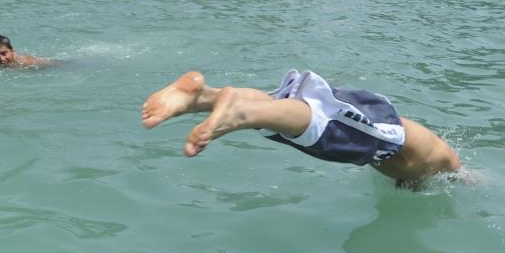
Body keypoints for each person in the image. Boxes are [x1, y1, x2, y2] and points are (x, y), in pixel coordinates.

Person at [140, 69, 461, 184]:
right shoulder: (450, 165)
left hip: (384, 135)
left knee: (280, 105)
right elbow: (459, 176)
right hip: (389, 135)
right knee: (325, 122)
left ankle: (199, 98)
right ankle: (240, 114)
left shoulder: (421, 164)